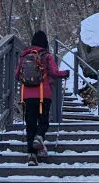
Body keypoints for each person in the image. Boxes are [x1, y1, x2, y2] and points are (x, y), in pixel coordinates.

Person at [17, 30, 67, 163]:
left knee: (30, 123)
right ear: (44, 42)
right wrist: (65, 74)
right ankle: (39, 137)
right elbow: (55, 72)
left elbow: (17, 75)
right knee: (43, 120)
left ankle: (31, 156)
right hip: (43, 94)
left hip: (27, 95)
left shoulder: (24, 56)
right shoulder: (46, 56)